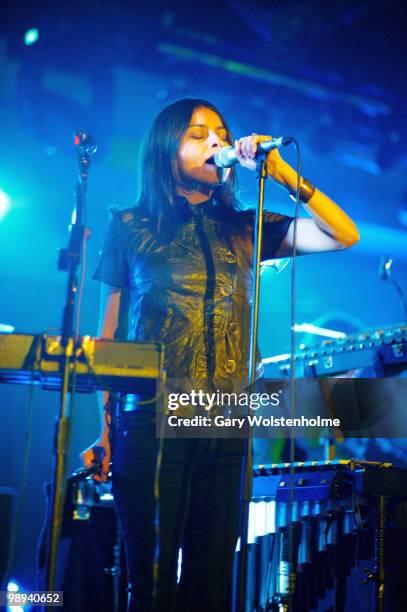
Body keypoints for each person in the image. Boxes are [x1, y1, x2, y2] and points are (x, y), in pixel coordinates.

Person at [81, 98, 359, 611]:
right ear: (166, 149)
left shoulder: (244, 226)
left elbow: (344, 235)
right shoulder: (129, 225)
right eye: (197, 133)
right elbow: (110, 336)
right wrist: (103, 430)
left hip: (226, 422)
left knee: (209, 590)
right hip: (150, 421)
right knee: (153, 588)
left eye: (221, 132)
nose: (215, 140)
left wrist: (283, 175)